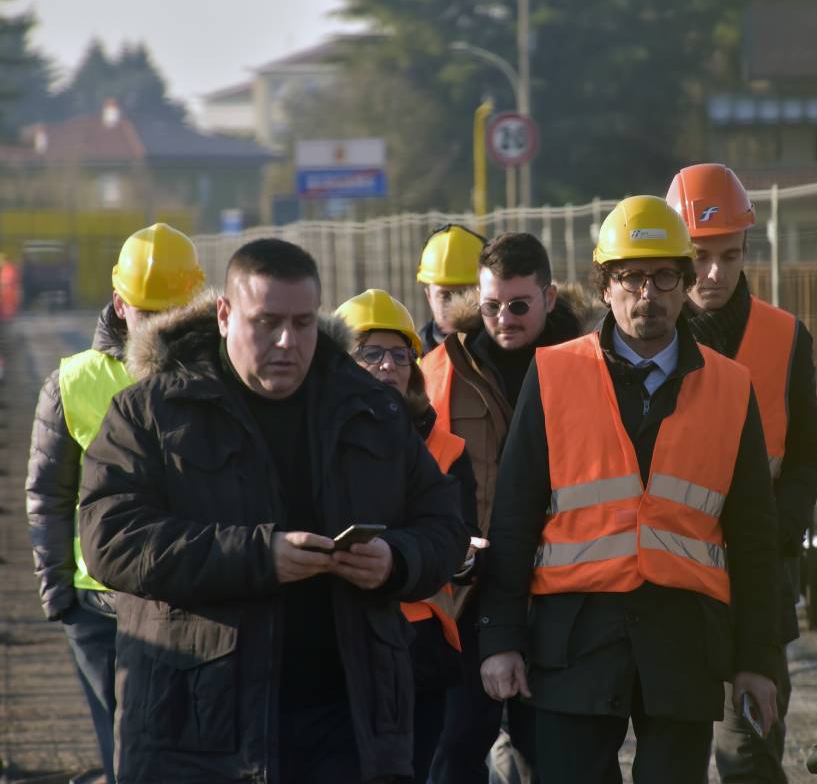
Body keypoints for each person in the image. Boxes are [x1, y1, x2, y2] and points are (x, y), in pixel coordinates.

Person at [77, 238, 467, 784]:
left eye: (303, 323)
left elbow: (444, 524)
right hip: (199, 728)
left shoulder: (369, 408)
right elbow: (111, 538)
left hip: (352, 723)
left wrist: (396, 560)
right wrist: (260, 556)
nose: (287, 342)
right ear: (224, 315)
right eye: (266, 322)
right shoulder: (151, 412)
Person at [477, 195, 781, 784]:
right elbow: (513, 519)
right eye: (631, 277)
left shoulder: (730, 387)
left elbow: (754, 538)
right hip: (574, 642)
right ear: (605, 287)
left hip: (684, 645)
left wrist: (758, 660)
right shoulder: (554, 374)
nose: (649, 293)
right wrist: (500, 639)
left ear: (686, 283)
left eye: (665, 275)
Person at [25, 223, 205, 784]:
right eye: (146, 312)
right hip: (100, 609)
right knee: (127, 761)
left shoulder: (224, 377)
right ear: (119, 303)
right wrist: (60, 595)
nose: (157, 327)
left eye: (172, 312)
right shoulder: (72, 382)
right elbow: (48, 494)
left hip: (197, 601)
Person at [667, 162, 817, 784]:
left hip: (757, 577)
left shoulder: (786, 336)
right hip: (673, 574)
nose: (714, 273)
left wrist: (776, 535)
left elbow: (809, 452)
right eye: (700, 255)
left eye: (729, 255)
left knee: (749, 751)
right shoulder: (647, 336)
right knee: (673, 750)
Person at [424, 232, 585, 784]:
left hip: (565, 592)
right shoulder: (443, 370)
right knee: (457, 747)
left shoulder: (590, 368)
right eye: (491, 306)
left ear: (550, 297)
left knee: (558, 755)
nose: (504, 319)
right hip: (471, 594)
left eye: (519, 305)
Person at [335, 288, 481, 784]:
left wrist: (460, 557)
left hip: (420, 650)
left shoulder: (447, 449)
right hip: (339, 642)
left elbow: (460, 536)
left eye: (400, 355)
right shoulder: (311, 443)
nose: (387, 366)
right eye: (370, 353)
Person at [418, 223, 487, 351]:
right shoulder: (412, 358)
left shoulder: (504, 351)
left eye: (464, 294)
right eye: (446, 295)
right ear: (429, 296)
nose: (456, 305)